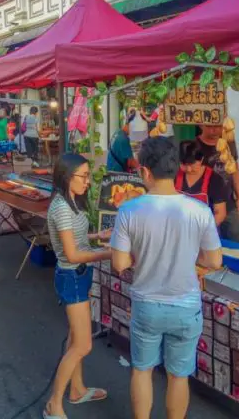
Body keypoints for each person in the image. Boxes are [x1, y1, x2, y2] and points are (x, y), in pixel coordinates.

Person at [110, 136, 223, 419]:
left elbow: (120, 264)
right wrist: (188, 256)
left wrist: (140, 252)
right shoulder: (199, 211)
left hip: (147, 305)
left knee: (142, 369)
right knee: (178, 376)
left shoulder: (128, 211)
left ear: (145, 171)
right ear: (176, 169)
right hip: (186, 306)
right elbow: (213, 261)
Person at [43, 153, 111, 419]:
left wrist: (97, 236)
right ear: (66, 176)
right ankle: (53, 403)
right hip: (72, 275)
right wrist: (106, 253)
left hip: (80, 275)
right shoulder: (60, 207)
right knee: (83, 345)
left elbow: (75, 237)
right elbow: (71, 254)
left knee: (75, 338)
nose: (87, 182)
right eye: (83, 176)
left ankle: (77, 389)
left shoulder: (71, 202)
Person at [196, 125, 239, 242]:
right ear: (201, 124)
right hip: (205, 205)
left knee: (235, 239)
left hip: (229, 203)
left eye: (218, 126)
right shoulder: (195, 146)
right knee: (209, 241)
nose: (215, 129)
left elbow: (235, 170)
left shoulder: (228, 143)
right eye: (210, 126)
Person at [176, 140, 228, 226]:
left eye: (192, 164)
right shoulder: (174, 175)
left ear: (201, 159)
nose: (188, 169)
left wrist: (205, 231)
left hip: (205, 228)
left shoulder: (215, 179)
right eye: (184, 164)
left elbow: (220, 214)